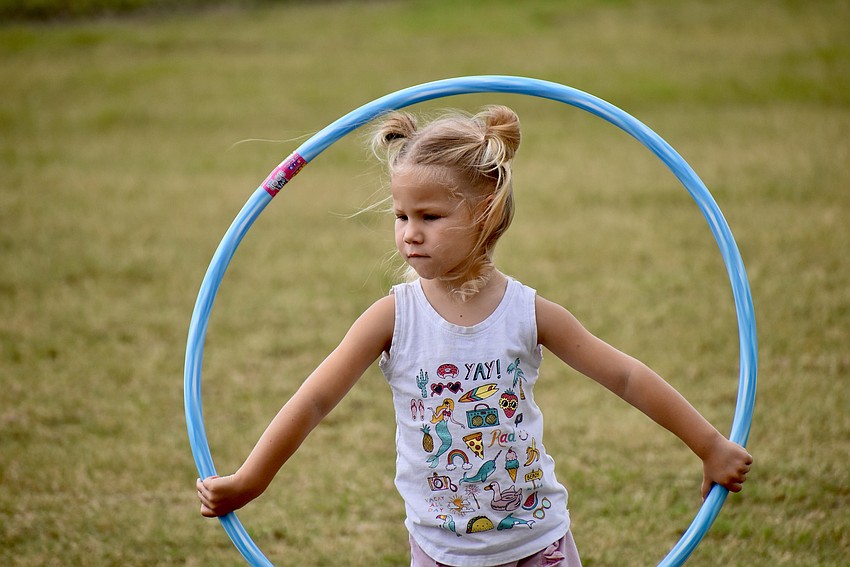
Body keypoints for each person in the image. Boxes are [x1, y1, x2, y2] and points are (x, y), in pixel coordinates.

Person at [196, 106, 753, 567]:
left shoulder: (529, 312)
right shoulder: (393, 318)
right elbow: (314, 400)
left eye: (430, 217)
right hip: (440, 552)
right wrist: (251, 480)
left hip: (538, 545)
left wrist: (709, 445)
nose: (409, 234)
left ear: (486, 210)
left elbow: (627, 377)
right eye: (401, 215)